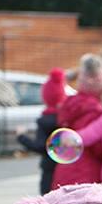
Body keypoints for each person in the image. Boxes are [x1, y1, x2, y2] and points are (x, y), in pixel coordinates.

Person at [52, 54, 102, 189]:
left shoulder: (71, 104)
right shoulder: (96, 111)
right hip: (86, 177)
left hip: (64, 173)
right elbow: (99, 149)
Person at [17, 67, 67, 195]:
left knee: (48, 201)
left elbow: (40, 146)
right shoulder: (67, 118)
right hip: (66, 169)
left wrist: (22, 136)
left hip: (49, 170)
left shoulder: (44, 121)